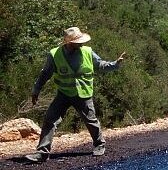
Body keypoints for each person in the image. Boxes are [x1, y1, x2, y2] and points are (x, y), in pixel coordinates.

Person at [24, 27, 126, 163]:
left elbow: (99, 64)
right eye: (78, 42)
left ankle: (99, 144)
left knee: (90, 120)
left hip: (83, 93)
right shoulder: (54, 54)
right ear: (69, 43)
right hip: (63, 93)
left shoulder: (87, 51)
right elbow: (45, 73)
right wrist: (36, 90)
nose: (81, 44)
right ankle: (42, 153)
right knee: (50, 119)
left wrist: (115, 64)